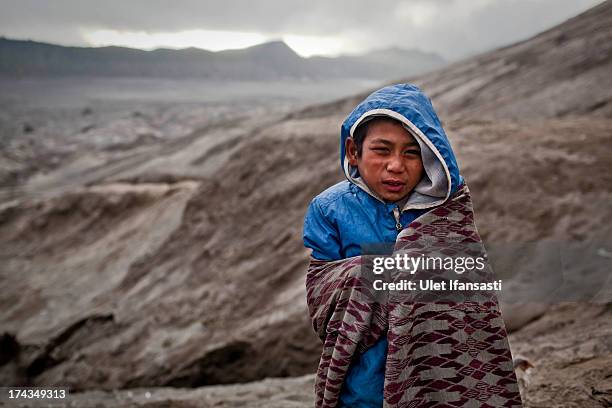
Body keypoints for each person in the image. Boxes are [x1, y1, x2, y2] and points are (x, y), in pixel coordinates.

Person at [303, 83, 513, 407]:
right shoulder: (329, 209)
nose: (396, 165)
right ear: (352, 151)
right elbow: (324, 302)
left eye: (412, 152)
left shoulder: (445, 212)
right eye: (382, 150)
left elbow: (471, 296)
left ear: (430, 156)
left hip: (437, 378)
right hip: (361, 385)